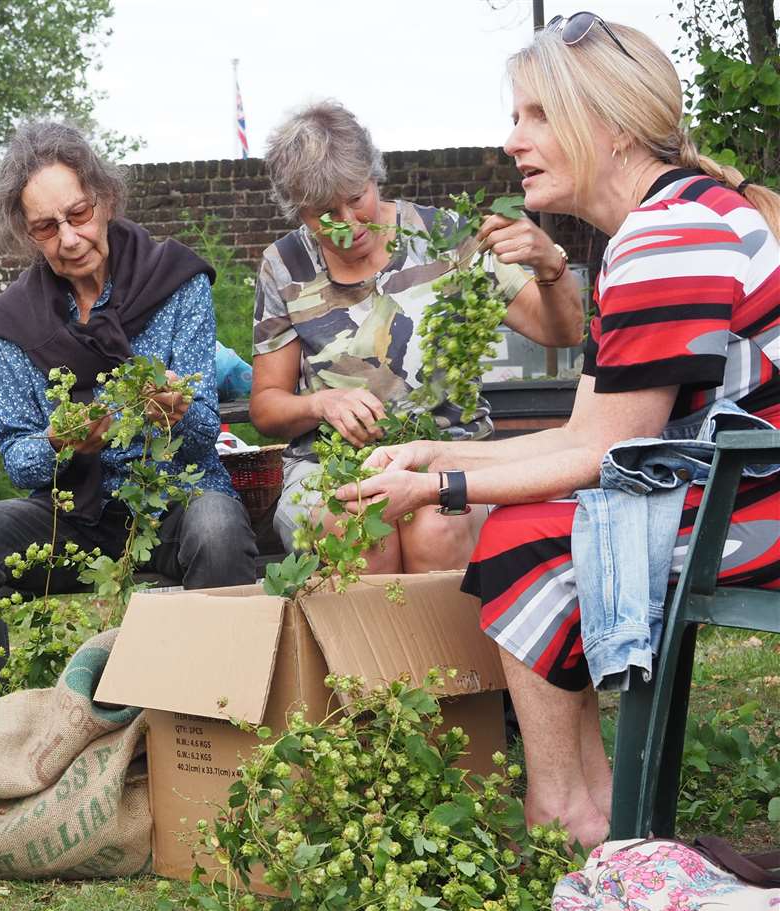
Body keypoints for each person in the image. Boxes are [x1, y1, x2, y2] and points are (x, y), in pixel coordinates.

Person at [341, 15, 780, 848]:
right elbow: (589, 430)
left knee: (525, 537)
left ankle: (567, 810)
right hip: (740, 490)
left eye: (537, 115)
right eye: (517, 116)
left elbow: (597, 456)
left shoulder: (672, 237)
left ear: (610, 125)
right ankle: (589, 805)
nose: (513, 141)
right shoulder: (653, 230)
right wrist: (433, 450)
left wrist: (439, 486)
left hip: (759, 510)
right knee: (533, 523)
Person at [0, 121, 259, 719]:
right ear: (27, 235)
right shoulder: (13, 323)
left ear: (104, 200)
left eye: (78, 214)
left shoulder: (176, 282)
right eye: (46, 227)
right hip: (74, 513)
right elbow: (18, 458)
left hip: (172, 500)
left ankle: (215, 716)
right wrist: (62, 443)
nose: (69, 238)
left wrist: (174, 415)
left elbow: (205, 429)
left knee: (216, 525)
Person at [249, 100, 586, 570]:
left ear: (374, 176)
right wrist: (319, 404)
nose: (349, 223)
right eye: (326, 213)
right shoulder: (285, 265)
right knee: (356, 524)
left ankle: (450, 645)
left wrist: (551, 265)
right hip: (334, 466)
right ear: (299, 213)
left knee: (437, 523)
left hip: (452, 454)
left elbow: (563, 331)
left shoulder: (444, 238)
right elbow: (266, 405)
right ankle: (369, 646)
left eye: (356, 198)